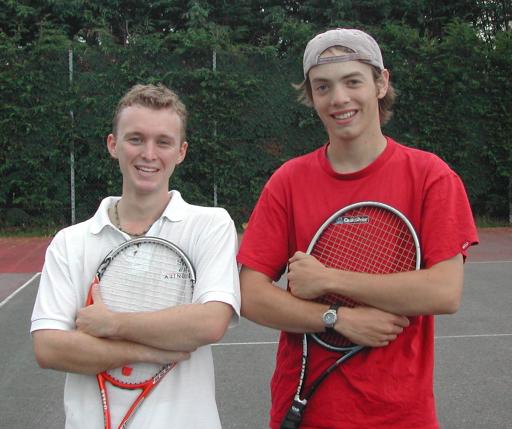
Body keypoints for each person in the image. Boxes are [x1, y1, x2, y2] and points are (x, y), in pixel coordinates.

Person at [237, 28, 478, 429]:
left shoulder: (430, 176)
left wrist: (330, 279)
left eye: (353, 81)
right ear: (311, 97)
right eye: (323, 87)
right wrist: (336, 319)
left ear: (381, 83)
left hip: (402, 416)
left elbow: (444, 291)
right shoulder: (288, 181)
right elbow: (249, 295)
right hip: (306, 411)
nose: (339, 99)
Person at [31, 83, 241, 428]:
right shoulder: (70, 242)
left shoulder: (211, 225)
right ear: (113, 145)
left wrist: (112, 325)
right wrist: (146, 351)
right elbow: (49, 348)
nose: (148, 153)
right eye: (135, 139)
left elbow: (210, 322)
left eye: (163, 142)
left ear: (181, 151)